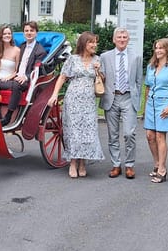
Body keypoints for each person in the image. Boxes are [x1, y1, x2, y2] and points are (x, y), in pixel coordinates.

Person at [47, 31, 105, 178]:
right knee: (73, 131)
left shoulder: (97, 60)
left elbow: (102, 81)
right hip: (73, 99)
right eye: (91, 42)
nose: (94, 45)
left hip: (89, 101)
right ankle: (73, 162)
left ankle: (82, 163)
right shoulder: (73, 59)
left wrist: (98, 71)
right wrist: (54, 94)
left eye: (95, 42)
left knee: (87, 131)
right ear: (84, 44)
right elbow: (62, 78)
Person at [99, 27, 143, 179]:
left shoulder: (136, 57)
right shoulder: (104, 57)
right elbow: (101, 78)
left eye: (125, 37)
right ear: (114, 39)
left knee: (129, 133)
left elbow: (138, 81)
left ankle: (129, 165)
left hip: (128, 98)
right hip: (111, 97)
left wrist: (137, 98)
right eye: (119, 37)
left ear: (128, 39)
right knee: (113, 134)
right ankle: (116, 164)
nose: (122, 39)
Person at [142, 38, 168, 183]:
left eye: (161, 48)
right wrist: (145, 107)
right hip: (151, 104)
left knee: (160, 136)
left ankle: (162, 170)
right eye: (156, 48)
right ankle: (157, 163)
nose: (158, 50)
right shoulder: (151, 66)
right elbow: (147, 87)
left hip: (165, 104)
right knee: (149, 135)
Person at [0, 25, 21, 126]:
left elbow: (17, 70)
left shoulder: (17, 50)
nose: (7, 35)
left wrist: (9, 77)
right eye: (5, 33)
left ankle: (8, 115)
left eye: (9, 33)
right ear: (0, 36)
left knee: (16, 85)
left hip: (8, 79)